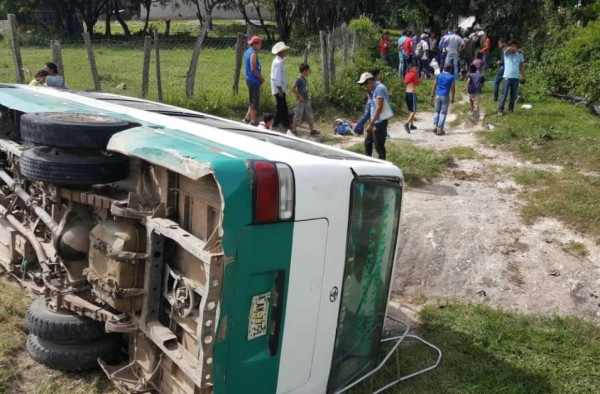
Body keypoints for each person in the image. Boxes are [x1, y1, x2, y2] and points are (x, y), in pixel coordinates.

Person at [357, 72, 393, 160]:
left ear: (370, 81)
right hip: (376, 120)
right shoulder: (374, 88)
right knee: (368, 143)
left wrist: (371, 124)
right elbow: (373, 104)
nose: (364, 87)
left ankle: (382, 167)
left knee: (379, 146)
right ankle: (368, 163)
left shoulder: (378, 89)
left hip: (379, 122)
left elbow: (379, 108)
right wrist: (369, 93)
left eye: (365, 84)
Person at [290, 64, 320, 137]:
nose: (309, 72)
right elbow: (292, 89)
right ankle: (294, 130)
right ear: (304, 71)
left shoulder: (305, 79)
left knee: (310, 115)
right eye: (308, 71)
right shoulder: (298, 79)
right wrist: (299, 96)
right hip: (300, 101)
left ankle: (312, 130)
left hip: (306, 100)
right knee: (298, 115)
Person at [498, 40, 526, 116]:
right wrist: (518, 50)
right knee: (504, 94)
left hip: (515, 77)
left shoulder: (519, 55)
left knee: (513, 95)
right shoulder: (506, 53)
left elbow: (522, 66)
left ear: (517, 46)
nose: (513, 48)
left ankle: (510, 109)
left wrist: (523, 76)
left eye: (515, 46)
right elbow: (508, 49)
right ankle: (500, 110)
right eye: (512, 46)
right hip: (507, 77)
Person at [243, 35, 265, 126]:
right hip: (254, 80)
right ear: (254, 44)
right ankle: (253, 121)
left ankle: (246, 119)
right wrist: (261, 78)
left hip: (250, 79)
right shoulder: (253, 53)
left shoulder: (248, 51)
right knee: (254, 102)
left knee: (252, 100)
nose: (260, 46)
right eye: (259, 44)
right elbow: (253, 69)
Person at [270, 41, 291, 131]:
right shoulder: (278, 63)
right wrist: (280, 90)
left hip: (280, 88)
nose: (286, 52)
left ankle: (286, 123)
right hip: (279, 89)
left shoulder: (278, 61)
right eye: (284, 51)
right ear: (281, 52)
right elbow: (276, 77)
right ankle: (275, 123)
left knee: (283, 106)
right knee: (280, 107)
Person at [430, 64, 456, 135]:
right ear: (450, 70)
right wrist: (453, 98)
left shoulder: (439, 75)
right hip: (445, 95)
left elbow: (434, 85)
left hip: (438, 95)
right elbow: (453, 88)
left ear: (444, 68)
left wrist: (432, 95)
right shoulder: (451, 77)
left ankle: (435, 125)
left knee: (436, 112)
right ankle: (440, 129)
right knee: (443, 113)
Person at [403, 63, 420, 133]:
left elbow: (405, 82)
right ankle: (407, 123)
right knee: (414, 110)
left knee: (410, 110)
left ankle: (411, 125)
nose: (417, 70)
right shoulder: (414, 74)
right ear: (412, 68)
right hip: (412, 93)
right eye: (416, 68)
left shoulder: (407, 74)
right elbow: (417, 84)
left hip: (407, 93)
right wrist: (422, 77)